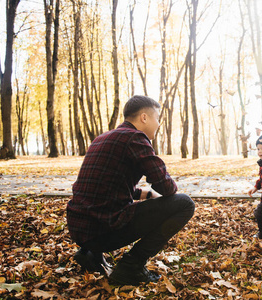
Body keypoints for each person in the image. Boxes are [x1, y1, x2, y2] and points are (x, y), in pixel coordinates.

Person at [66, 95, 195, 285]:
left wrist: (147, 194)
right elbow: (166, 186)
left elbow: (106, 185)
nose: (158, 124)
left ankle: (90, 255)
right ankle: (131, 266)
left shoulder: (102, 138)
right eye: (157, 118)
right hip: (102, 231)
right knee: (185, 204)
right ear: (144, 118)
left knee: (117, 206)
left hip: (79, 229)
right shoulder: (135, 137)